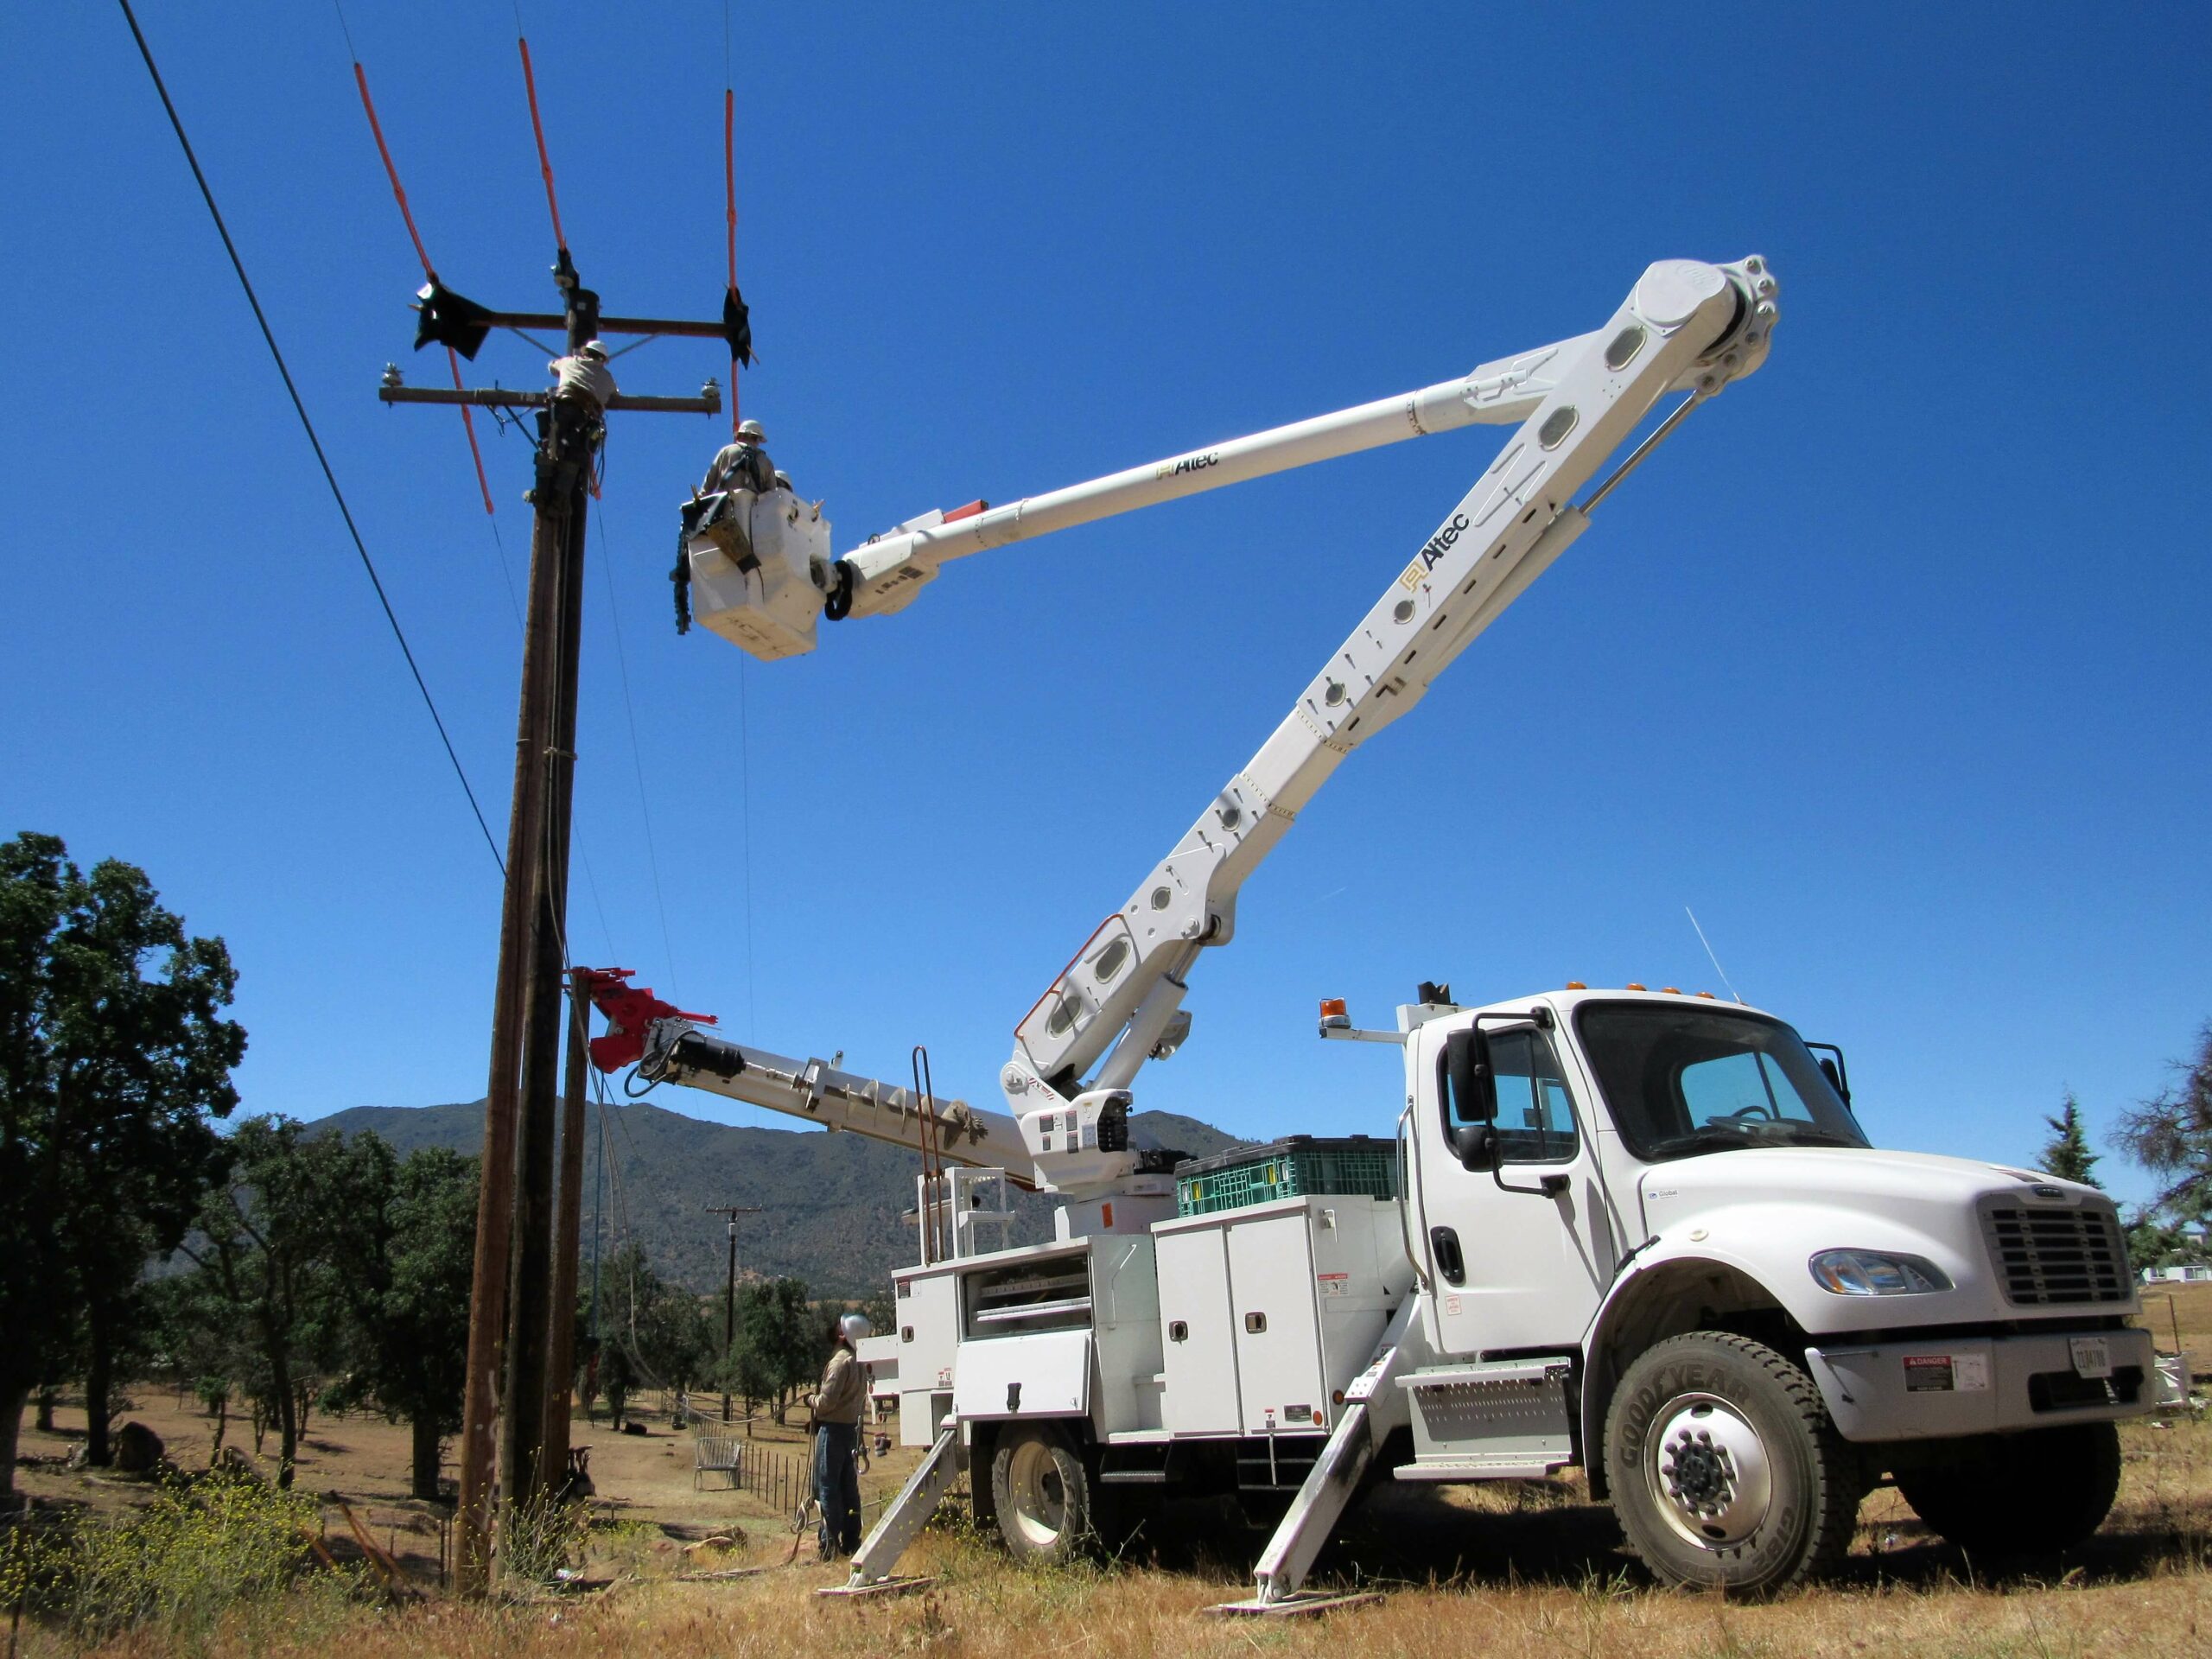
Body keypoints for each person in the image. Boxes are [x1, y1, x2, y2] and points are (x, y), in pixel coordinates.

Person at [810, 1312, 869, 1560]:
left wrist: (810, 1401)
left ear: (843, 1335)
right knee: (848, 1488)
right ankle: (852, 1540)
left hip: (833, 1431)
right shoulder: (859, 1361)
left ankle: (829, 1544)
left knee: (827, 1488)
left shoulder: (839, 1362)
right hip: (851, 1431)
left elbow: (826, 1403)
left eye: (839, 1326)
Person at [701, 418, 777, 496]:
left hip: (725, 503)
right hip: (754, 506)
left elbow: (710, 480)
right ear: (757, 439)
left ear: (740, 436)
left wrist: (701, 498)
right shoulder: (766, 462)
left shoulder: (726, 452)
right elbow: (772, 495)